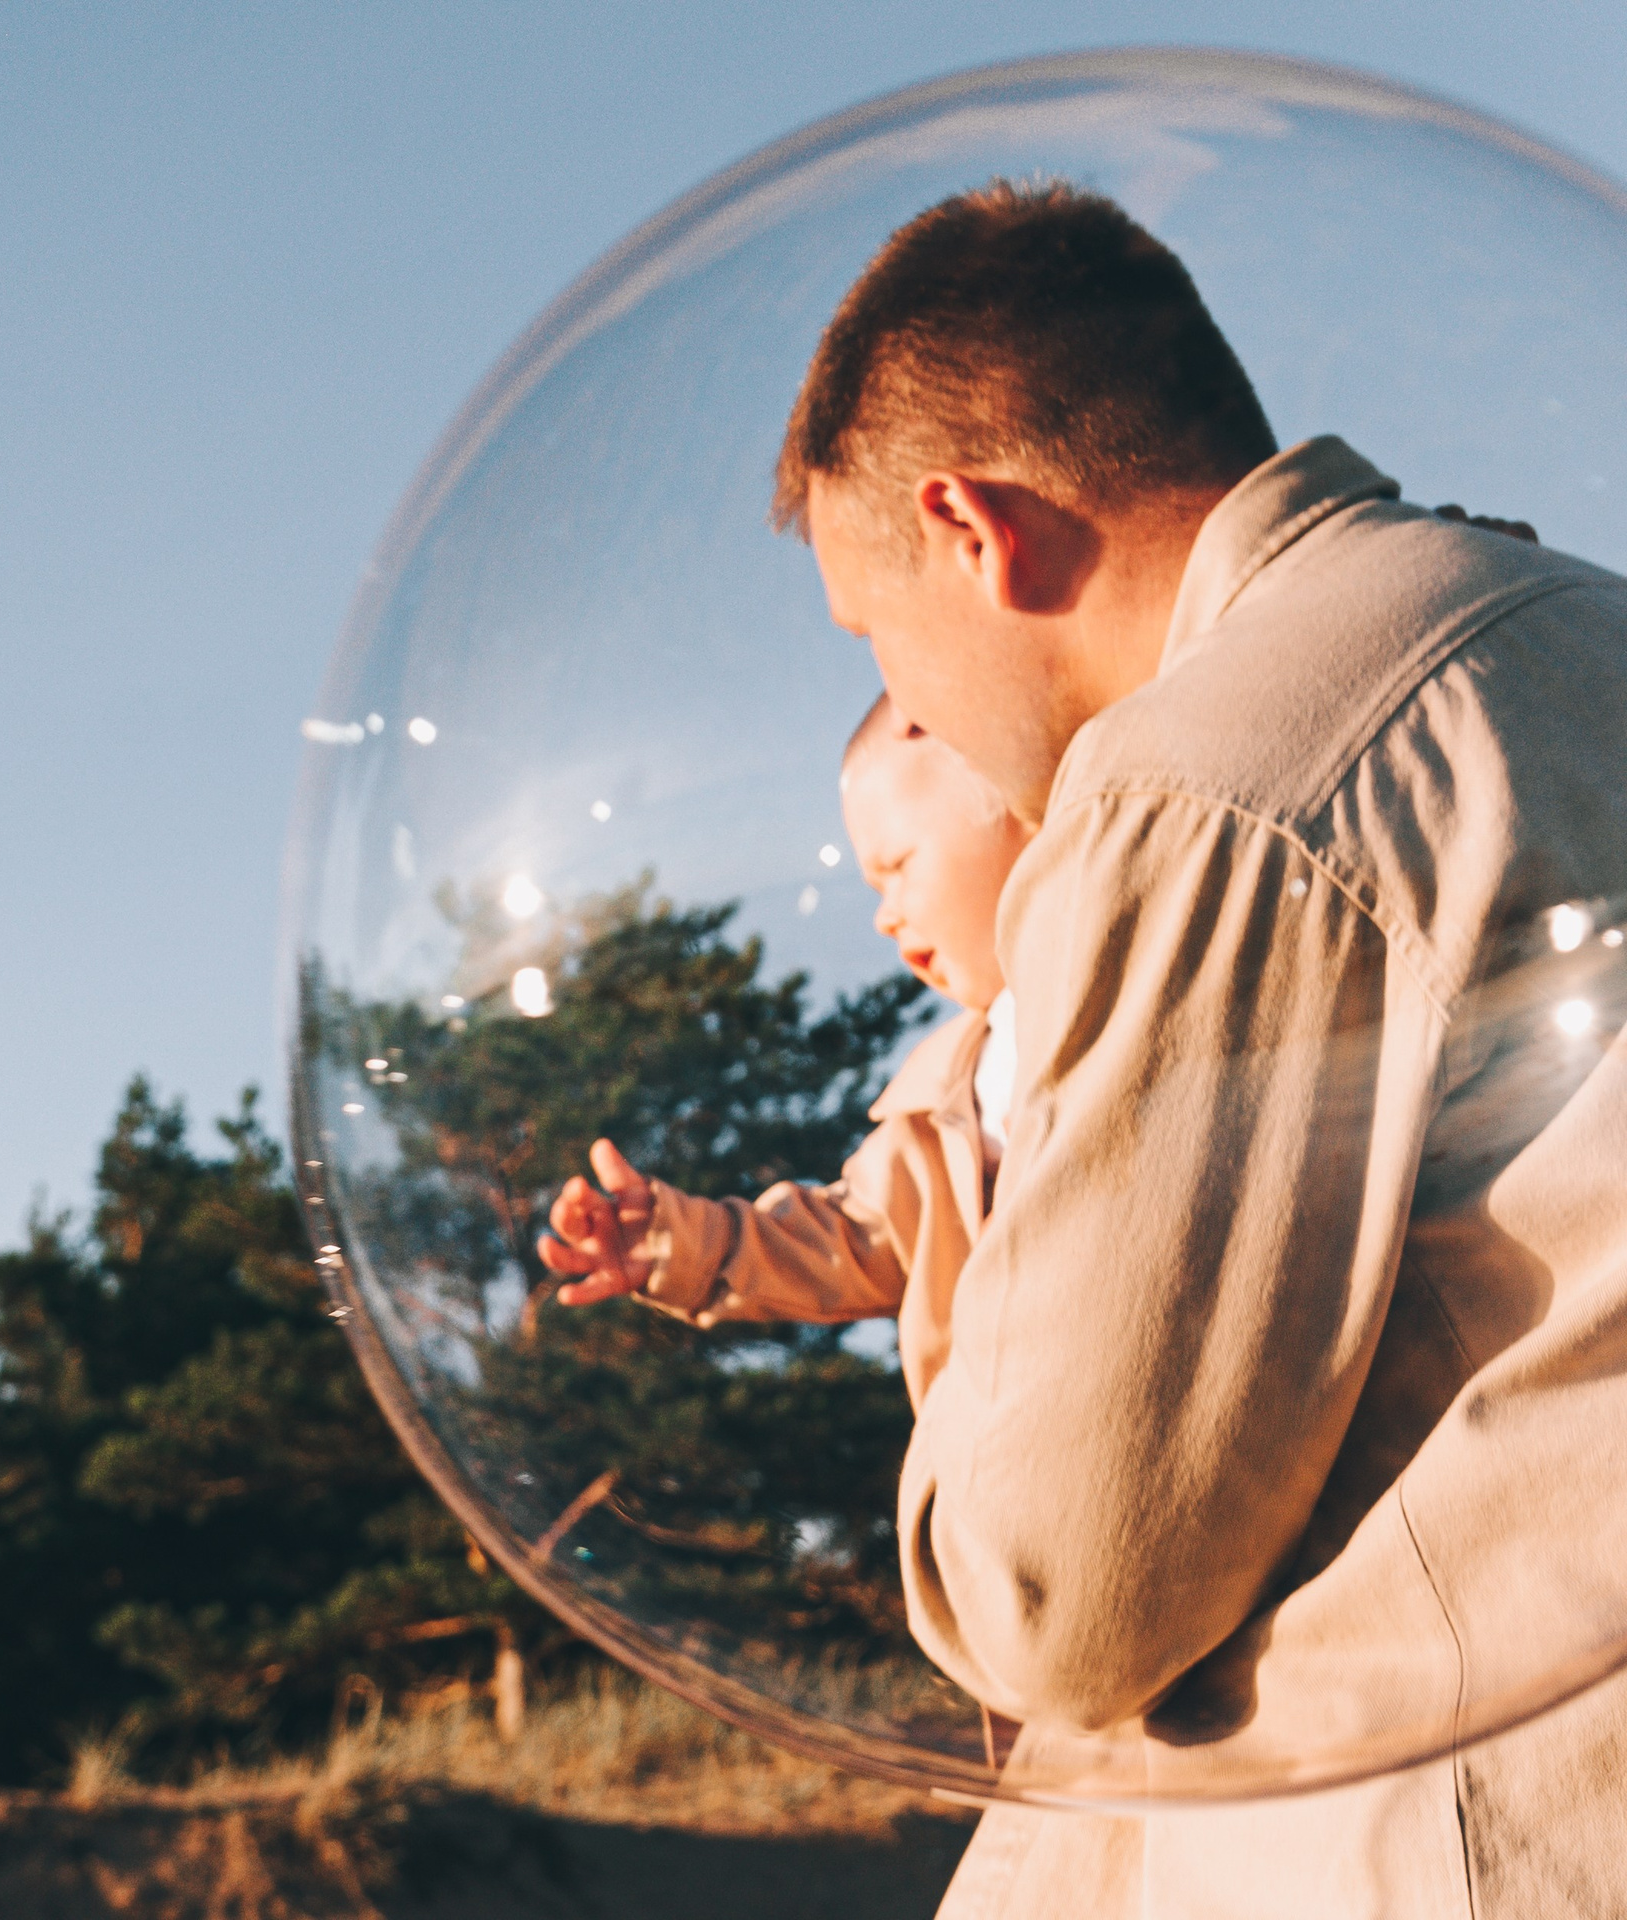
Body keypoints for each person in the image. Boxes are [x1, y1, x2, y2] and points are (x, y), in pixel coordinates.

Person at [766, 177, 1627, 1917]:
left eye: (878, 637)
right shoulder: (1578, 619)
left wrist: (954, 1288)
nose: (908, 696)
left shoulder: (1204, 785)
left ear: (972, 532)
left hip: (1470, 1835)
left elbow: (1062, 1598)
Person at [536, 692, 1030, 1410]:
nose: (885, 916)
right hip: (998, 1476)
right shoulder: (943, 1102)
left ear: (1031, 810)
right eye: (874, 887)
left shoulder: (1143, 984)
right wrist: (674, 1244)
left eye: (898, 866)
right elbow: (841, 1241)